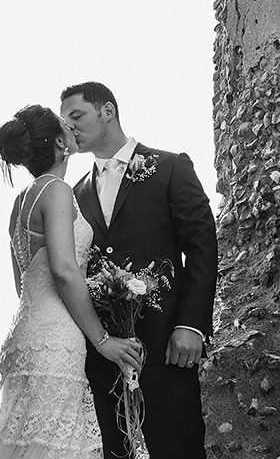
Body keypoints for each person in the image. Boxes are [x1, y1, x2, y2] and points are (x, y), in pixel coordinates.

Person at [60, 82, 218, 459]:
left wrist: (191, 324)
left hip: (168, 346)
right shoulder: (73, 194)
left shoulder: (169, 166)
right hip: (104, 360)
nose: (69, 128)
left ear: (108, 111)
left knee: (178, 447)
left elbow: (202, 244)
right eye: (64, 121)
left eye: (77, 116)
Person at [0, 105, 143, 459]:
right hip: (55, 341)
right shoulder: (56, 190)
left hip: (26, 333)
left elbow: (22, 283)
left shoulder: (21, 201)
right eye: (64, 124)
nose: (71, 125)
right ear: (60, 142)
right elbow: (65, 271)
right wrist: (103, 341)